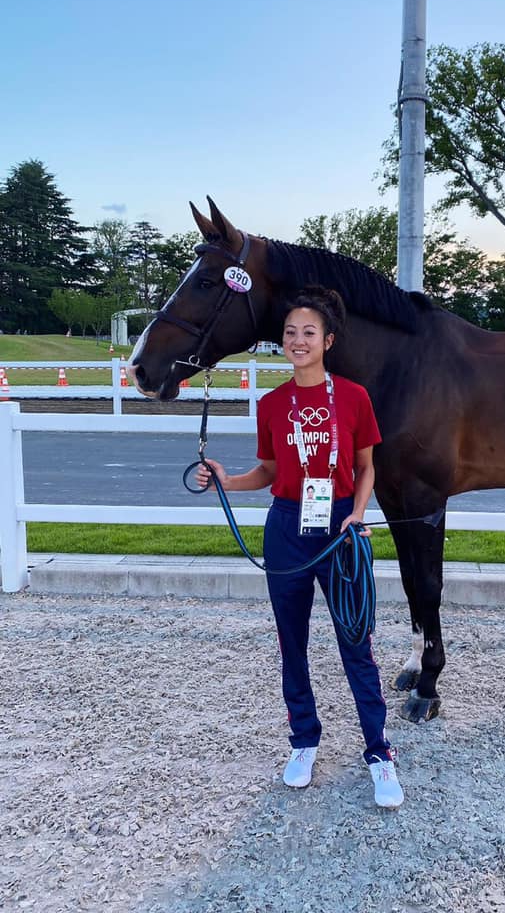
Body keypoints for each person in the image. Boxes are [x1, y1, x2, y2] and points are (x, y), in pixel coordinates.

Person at [195, 286, 403, 808]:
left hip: (337, 526)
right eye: (290, 333)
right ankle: (304, 741)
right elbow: (268, 473)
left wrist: (357, 514)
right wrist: (225, 478)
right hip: (287, 525)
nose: (298, 340)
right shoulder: (272, 405)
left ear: (327, 340)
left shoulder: (354, 396)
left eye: (308, 332)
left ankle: (379, 752)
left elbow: (366, 467)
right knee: (293, 642)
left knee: (356, 641)